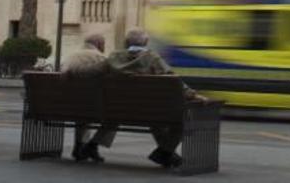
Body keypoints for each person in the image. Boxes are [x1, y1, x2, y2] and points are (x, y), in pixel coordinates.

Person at [105, 29, 206, 169]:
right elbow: (174, 81)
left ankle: (166, 153)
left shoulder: (113, 57)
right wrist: (193, 94)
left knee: (157, 119)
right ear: (146, 42)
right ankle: (165, 152)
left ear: (126, 42)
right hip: (149, 110)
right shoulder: (152, 57)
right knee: (179, 121)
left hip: (118, 109)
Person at [61, 34, 113, 163]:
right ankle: (92, 146)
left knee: (82, 110)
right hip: (96, 107)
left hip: (68, 106)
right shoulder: (101, 58)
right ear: (100, 45)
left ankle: (79, 146)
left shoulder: (70, 57)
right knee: (114, 116)